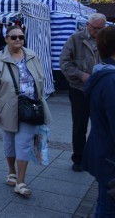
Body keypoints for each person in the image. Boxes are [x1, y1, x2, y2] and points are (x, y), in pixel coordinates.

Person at [0, 25, 52, 199]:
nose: (17, 40)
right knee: (9, 142)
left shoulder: (31, 55)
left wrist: (41, 100)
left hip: (30, 107)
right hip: (8, 108)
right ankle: (11, 171)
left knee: (23, 143)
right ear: (6, 39)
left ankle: (21, 182)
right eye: (13, 37)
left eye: (20, 37)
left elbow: (41, 78)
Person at [60, 13, 107, 172]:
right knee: (80, 126)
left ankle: (98, 157)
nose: (98, 31)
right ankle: (78, 159)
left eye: (102, 28)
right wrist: (82, 75)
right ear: (88, 25)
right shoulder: (75, 39)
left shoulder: (106, 39)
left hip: (100, 90)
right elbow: (65, 64)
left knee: (101, 125)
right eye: (96, 28)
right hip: (79, 89)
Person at [83, 25, 115, 216]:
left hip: (104, 153)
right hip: (110, 157)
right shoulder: (110, 80)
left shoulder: (104, 75)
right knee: (108, 207)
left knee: (105, 201)